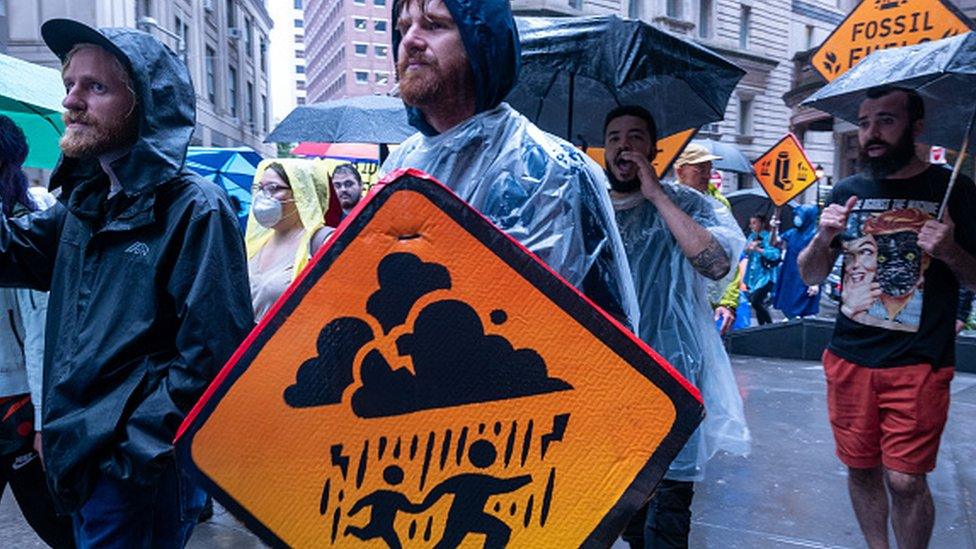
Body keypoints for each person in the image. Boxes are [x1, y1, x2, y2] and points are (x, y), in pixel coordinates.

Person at [0, 19, 254, 546]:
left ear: (146, 104)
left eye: (96, 87)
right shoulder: (83, 204)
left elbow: (213, 355)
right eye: (70, 84)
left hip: (135, 475)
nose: (72, 100)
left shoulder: (194, 208)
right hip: (80, 463)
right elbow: (10, 251)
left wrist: (134, 454)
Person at [379, 0, 639, 328]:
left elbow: (613, 332)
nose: (410, 40)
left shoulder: (556, 170)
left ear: (482, 41)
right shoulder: (397, 169)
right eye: (403, 29)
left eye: (434, 25)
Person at [798, 86, 976, 549]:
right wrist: (823, 238)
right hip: (849, 358)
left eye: (886, 120)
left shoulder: (951, 189)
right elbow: (812, 274)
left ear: (917, 127)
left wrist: (952, 251)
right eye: (864, 122)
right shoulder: (847, 192)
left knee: (905, 480)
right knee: (861, 468)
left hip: (919, 362)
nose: (871, 134)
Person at [605, 106, 749, 548]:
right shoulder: (590, 205)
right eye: (613, 137)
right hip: (610, 376)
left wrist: (657, 196)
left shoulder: (687, 203)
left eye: (635, 137)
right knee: (624, 504)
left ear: (654, 149)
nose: (623, 146)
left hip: (673, 374)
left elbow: (718, 263)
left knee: (668, 508)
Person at [0, 115, 75, 548]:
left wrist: (47, 421)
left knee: (56, 522)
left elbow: (41, 327)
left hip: (20, 402)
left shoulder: (35, 216)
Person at [247, 159, 340, 321]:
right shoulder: (256, 243)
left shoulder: (323, 242)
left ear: (301, 193)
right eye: (260, 188)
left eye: (273, 188)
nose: (263, 196)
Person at [673, 143, 745, 334]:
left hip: (706, 303)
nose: (707, 175)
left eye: (709, 169)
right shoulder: (668, 201)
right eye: (700, 169)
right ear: (680, 171)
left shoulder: (718, 204)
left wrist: (728, 303)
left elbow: (731, 256)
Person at [772, 204, 821, 319]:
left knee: (803, 307)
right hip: (790, 273)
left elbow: (819, 258)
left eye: (800, 216)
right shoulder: (792, 233)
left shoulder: (815, 236)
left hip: (806, 276)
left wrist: (815, 282)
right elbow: (775, 243)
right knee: (787, 302)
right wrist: (774, 228)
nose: (797, 218)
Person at [743, 214, 779, 325]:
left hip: (766, 276)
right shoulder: (752, 236)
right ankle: (762, 327)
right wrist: (748, 248)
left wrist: (759, 249)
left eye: (754, 223)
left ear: (762, 224)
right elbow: (745, 252)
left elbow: (775, 254)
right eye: (751, 223)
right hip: (754, 276)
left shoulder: (769, 237)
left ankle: (769, 324)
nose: (751, 226)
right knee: (758, 303)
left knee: (755, 302)